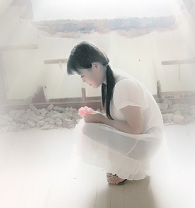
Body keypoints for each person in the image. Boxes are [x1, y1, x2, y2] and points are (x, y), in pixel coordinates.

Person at [67, 41, 164, 185]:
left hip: (146, 144)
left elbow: (136, 129)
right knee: (89, 126)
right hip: (140, 140)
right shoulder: (109, 81)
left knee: (88, 129)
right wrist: (98, 118)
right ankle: (121, 165)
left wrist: (102, 119)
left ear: (96, 66)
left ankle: (127, 169)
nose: (84, 81)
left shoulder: (123, 85)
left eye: (82, 75)